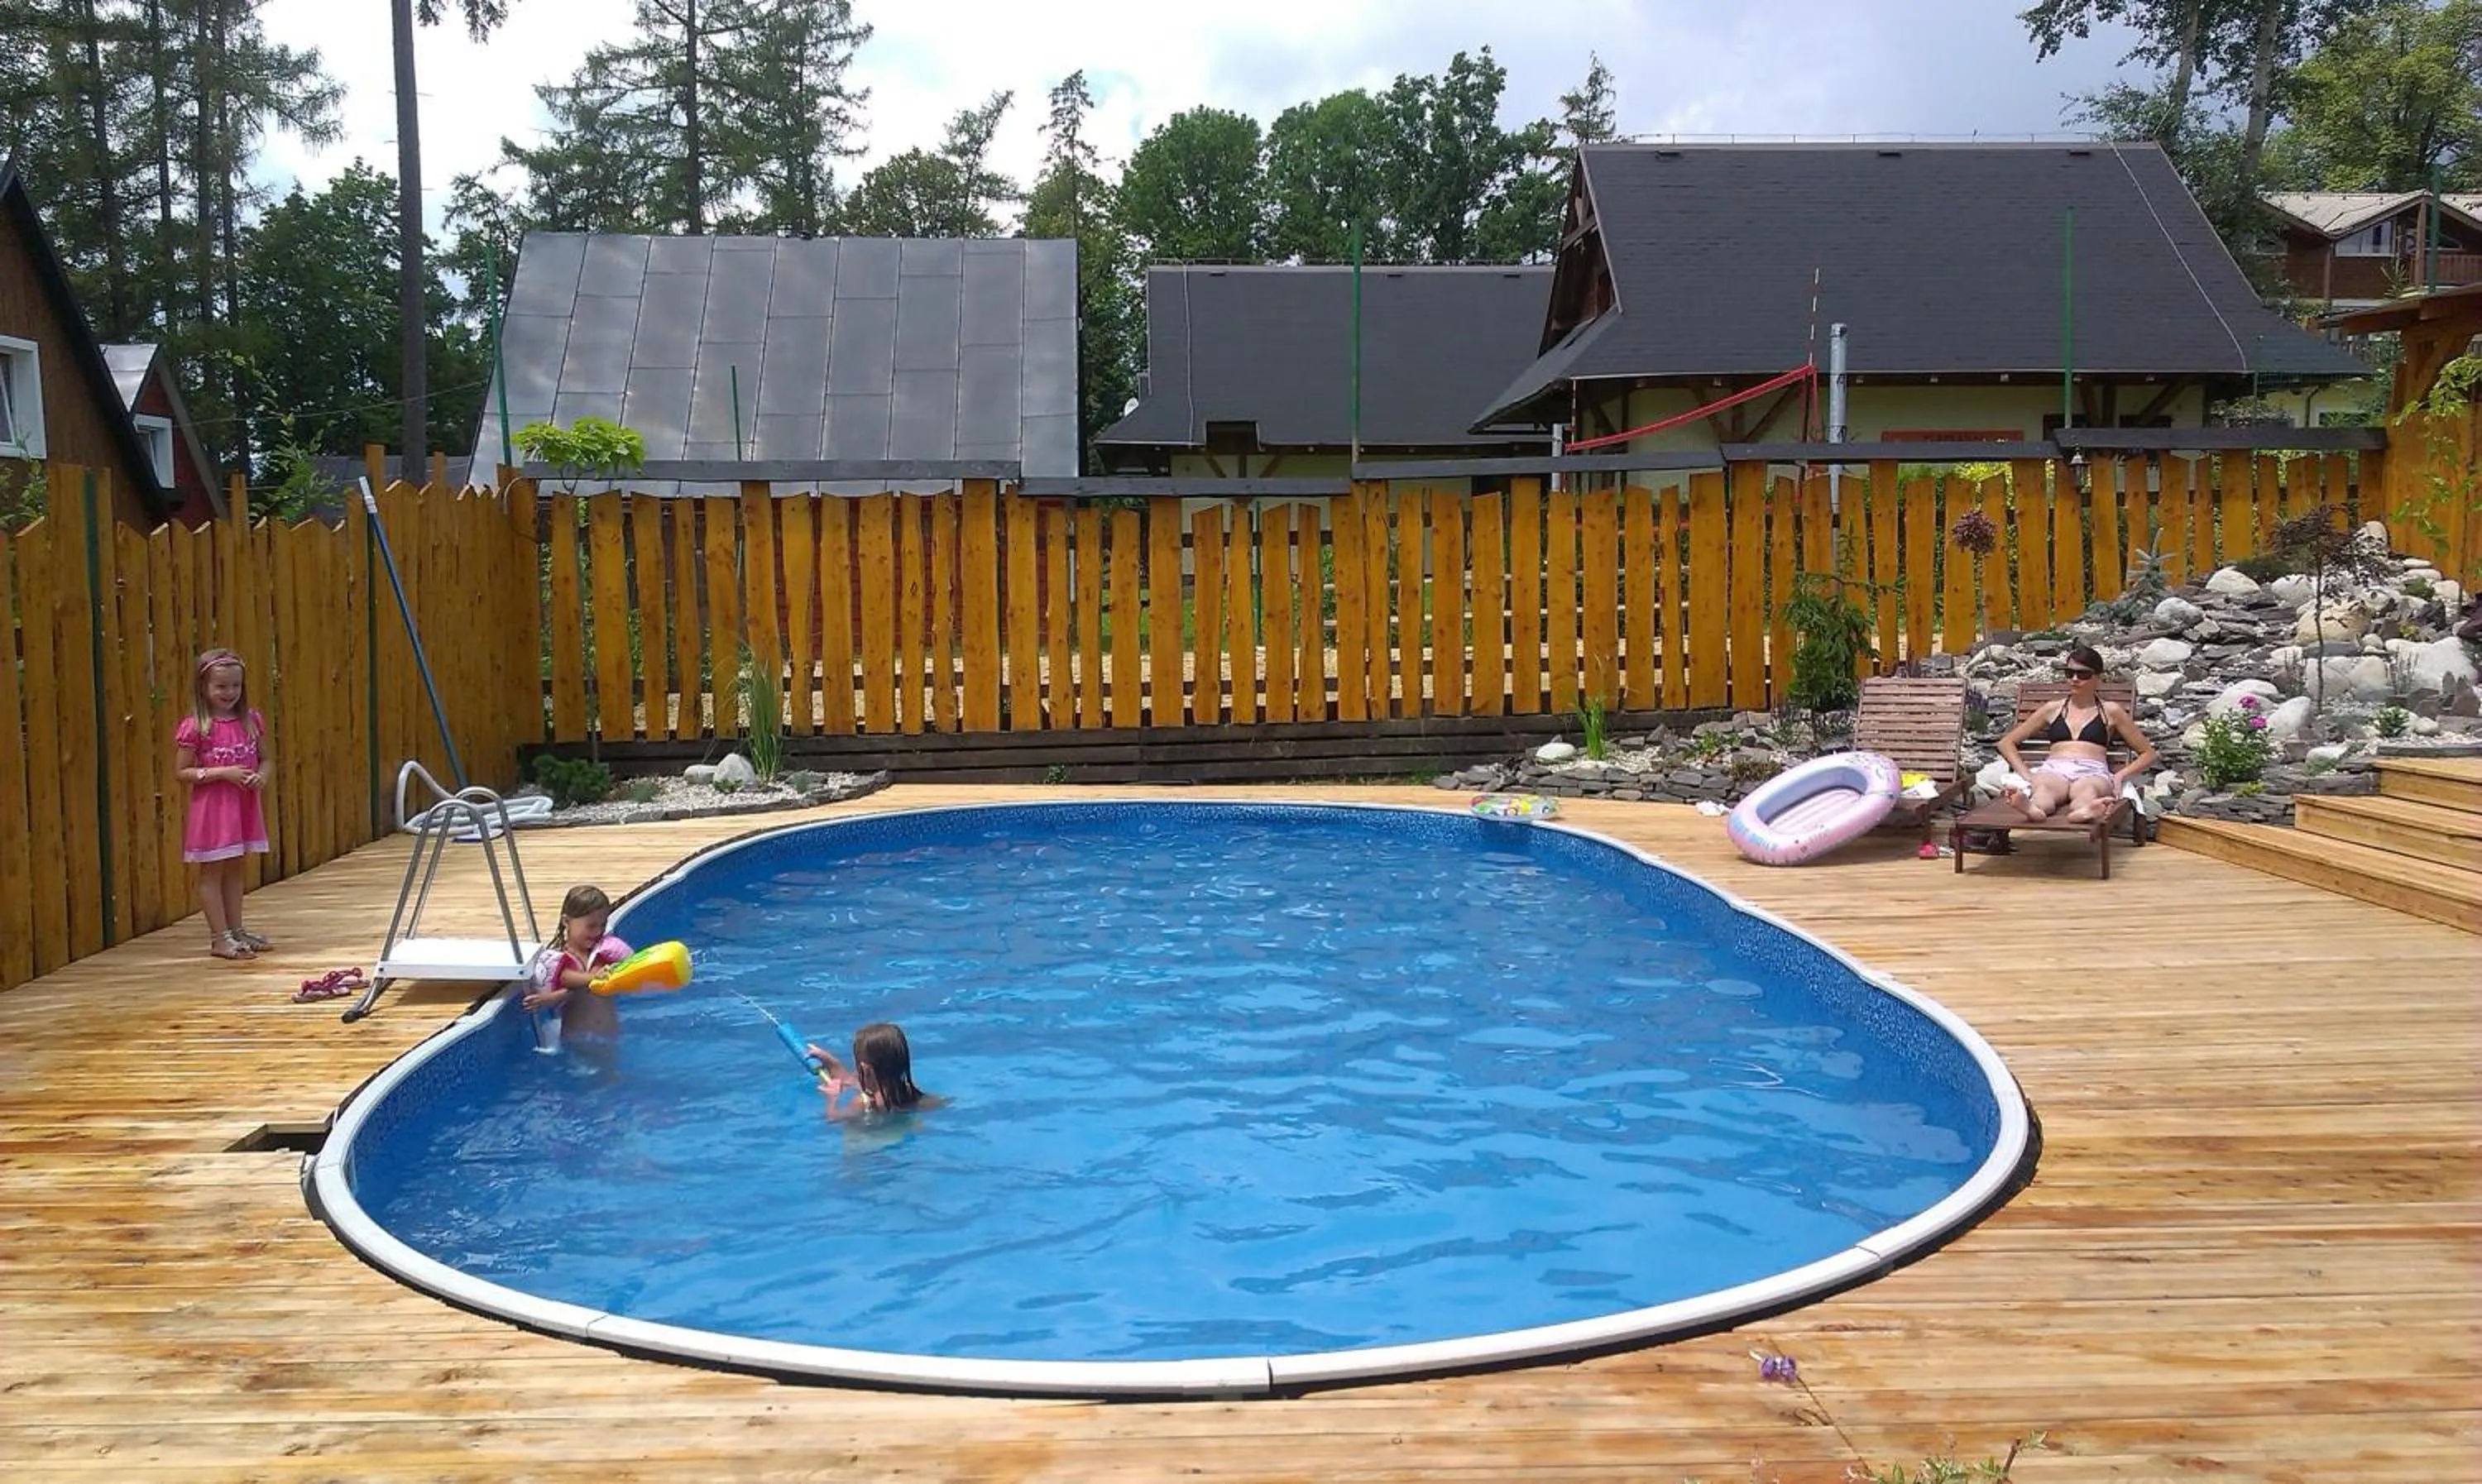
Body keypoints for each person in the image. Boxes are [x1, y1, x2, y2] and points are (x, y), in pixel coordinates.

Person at [175, 648, 271, 960]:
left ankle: (237, 930)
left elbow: (267, 759)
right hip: (214, 811)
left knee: (236, 869)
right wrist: (222, 773)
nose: (230, 692)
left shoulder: (251, 720)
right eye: (221, 686)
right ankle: (219, 937)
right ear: (203, 687)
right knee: (212, 871)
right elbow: (182, 771)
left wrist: (262, 776)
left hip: (242, 807)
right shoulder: (197, 727)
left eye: (235, 686)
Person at [1997, 644, 2158, 825]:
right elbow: (2006, 743)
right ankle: (2033, 809)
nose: (2074, 679)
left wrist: (2120, 775)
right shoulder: (2053, 709)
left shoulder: (2111, 711)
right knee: (2043, 790)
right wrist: (2027, 775)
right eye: (2069, 673)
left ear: (2098, 678)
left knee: (2087, 792)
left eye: (2083, 674)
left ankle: (2084, 811)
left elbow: (2148, 753)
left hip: (2092, 771)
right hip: (2055, 768)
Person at [522, 885, 629, 1046]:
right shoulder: (562, 959)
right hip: (580, 1039)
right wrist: (550, 998)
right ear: (567, 921)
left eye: (602, 925)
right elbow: (569, 981)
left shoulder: (599, 954)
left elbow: (594, 984)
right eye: (591, 926)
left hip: (606, 1037)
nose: (598, 931)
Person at [804, 1022, 942, 1120]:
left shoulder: (862, 1103)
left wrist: (832, 1097)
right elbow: (854, 1082)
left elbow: (833, 1118)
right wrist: (829, 1061)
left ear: (866, 1069)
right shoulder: (909, 1092)